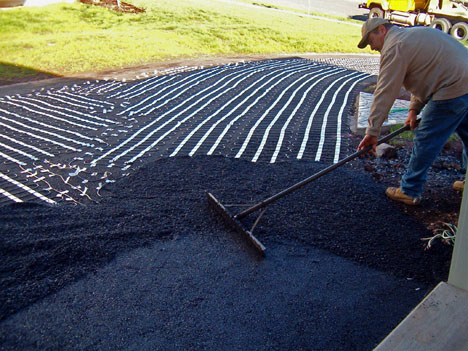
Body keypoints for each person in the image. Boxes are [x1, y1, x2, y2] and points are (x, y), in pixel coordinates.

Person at [357, 17, 468, 205]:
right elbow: (425, 75)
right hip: (462, 82)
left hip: (452, 87)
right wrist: (413, 110)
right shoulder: (411, 36)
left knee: (426, 137)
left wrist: (372, 132)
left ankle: (410, 190)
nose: (371, 47)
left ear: (382, 30)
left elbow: (385, 91)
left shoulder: (395, 47)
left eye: (370, 41)